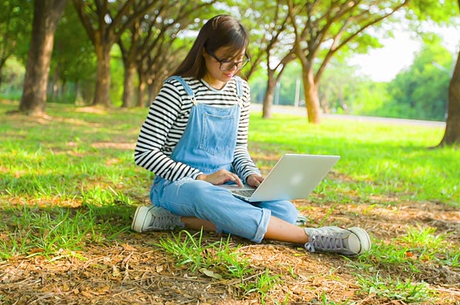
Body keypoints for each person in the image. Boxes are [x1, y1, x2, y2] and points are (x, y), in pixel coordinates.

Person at [131, 15, 371, 256]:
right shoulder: (176, 89)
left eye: (239, 61)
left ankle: (178, 220)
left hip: (228, 186)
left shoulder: (240, 90)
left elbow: (237, 148)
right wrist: (202, 177)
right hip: (181, 186)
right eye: (226, 61)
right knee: (204, 195)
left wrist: (251, 175)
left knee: (285, 212)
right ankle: (310, 237)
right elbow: (145, 153)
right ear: (205, 51)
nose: (233, 70)